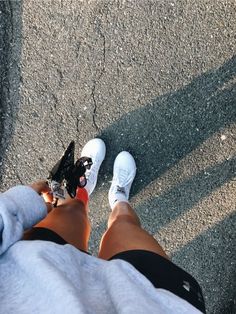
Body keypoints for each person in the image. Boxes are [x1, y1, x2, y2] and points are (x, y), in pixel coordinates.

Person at [0, 138, 205, 313]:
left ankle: (84, 192)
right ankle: (119, 199)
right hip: (147, 303)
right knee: (124, 225)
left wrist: (16, 204)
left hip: (30, 273)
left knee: (71, 211)